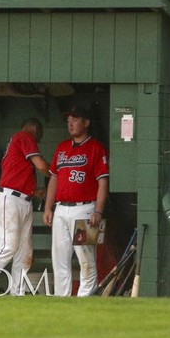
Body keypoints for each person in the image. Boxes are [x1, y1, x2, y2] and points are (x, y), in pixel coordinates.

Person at [0, 118, 50, 295]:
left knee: (24, 251)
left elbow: (18, 175)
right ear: (35, 130)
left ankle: (17, 292)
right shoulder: (24, 136)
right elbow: (42, 166)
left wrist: (36, 191)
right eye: (40, 137)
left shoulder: (19, 144)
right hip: (10, 199)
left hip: (22, 200)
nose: (38, 141)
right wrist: (58, 173)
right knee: (9, 247)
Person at [43, 106, 109, 297]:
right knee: (60, 259)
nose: (70, 123)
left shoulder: (96, 147)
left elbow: (103, 181)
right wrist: (48, 207)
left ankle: (85, 300)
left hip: (85, 208)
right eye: (68, 120)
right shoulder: (62, 147)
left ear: (86, 123)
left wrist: (98, 210)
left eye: (75, 119)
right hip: (61, 209)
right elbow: (53, 178)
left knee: (86, 258)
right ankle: (62, 299)